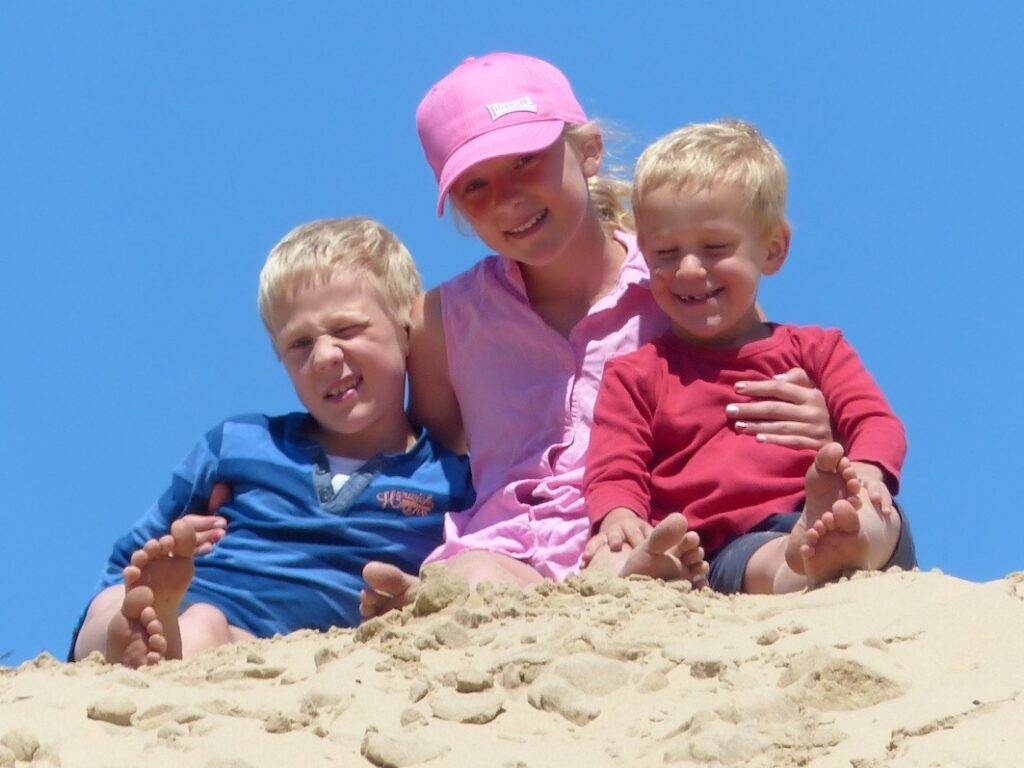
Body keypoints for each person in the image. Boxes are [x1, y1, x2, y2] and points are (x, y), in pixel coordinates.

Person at [359, 53, 839, 615]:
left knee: (636, 562)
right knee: (472, 577)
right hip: (507, 548)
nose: (507, 197)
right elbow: (429, 465)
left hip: (644, 530)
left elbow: (748, 385)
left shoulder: (678, 283)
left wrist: (820, 424)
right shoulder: (445, 319)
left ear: (588, 152)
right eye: (475, 185)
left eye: (525, 161)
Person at [70, 217, 474, 667]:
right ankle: (130, 635)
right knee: (112, 601)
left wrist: (417, 598)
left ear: (405, 331)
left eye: (346, 330)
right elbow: (129, 557)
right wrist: (167, 552)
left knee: (206, 625)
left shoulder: (448, 484)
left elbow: (458, 578)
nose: (324, 356)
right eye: (300, 343)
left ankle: (159, 647)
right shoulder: (240, 444)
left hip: (267, 649)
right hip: (196, 588)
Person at [583, 119, 917, 594]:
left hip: (820, 503)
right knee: (618, 551)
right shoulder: (636, 374)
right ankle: (803, 559)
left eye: (715, 247)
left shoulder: (818, 349)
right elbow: (615, 465)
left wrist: (866, 469)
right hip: (727, 544)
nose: (689, 268)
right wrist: (619, 514)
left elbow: (876, 421)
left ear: (773, 249)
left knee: (877, 513)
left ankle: (845, 539)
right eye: (665, 252)